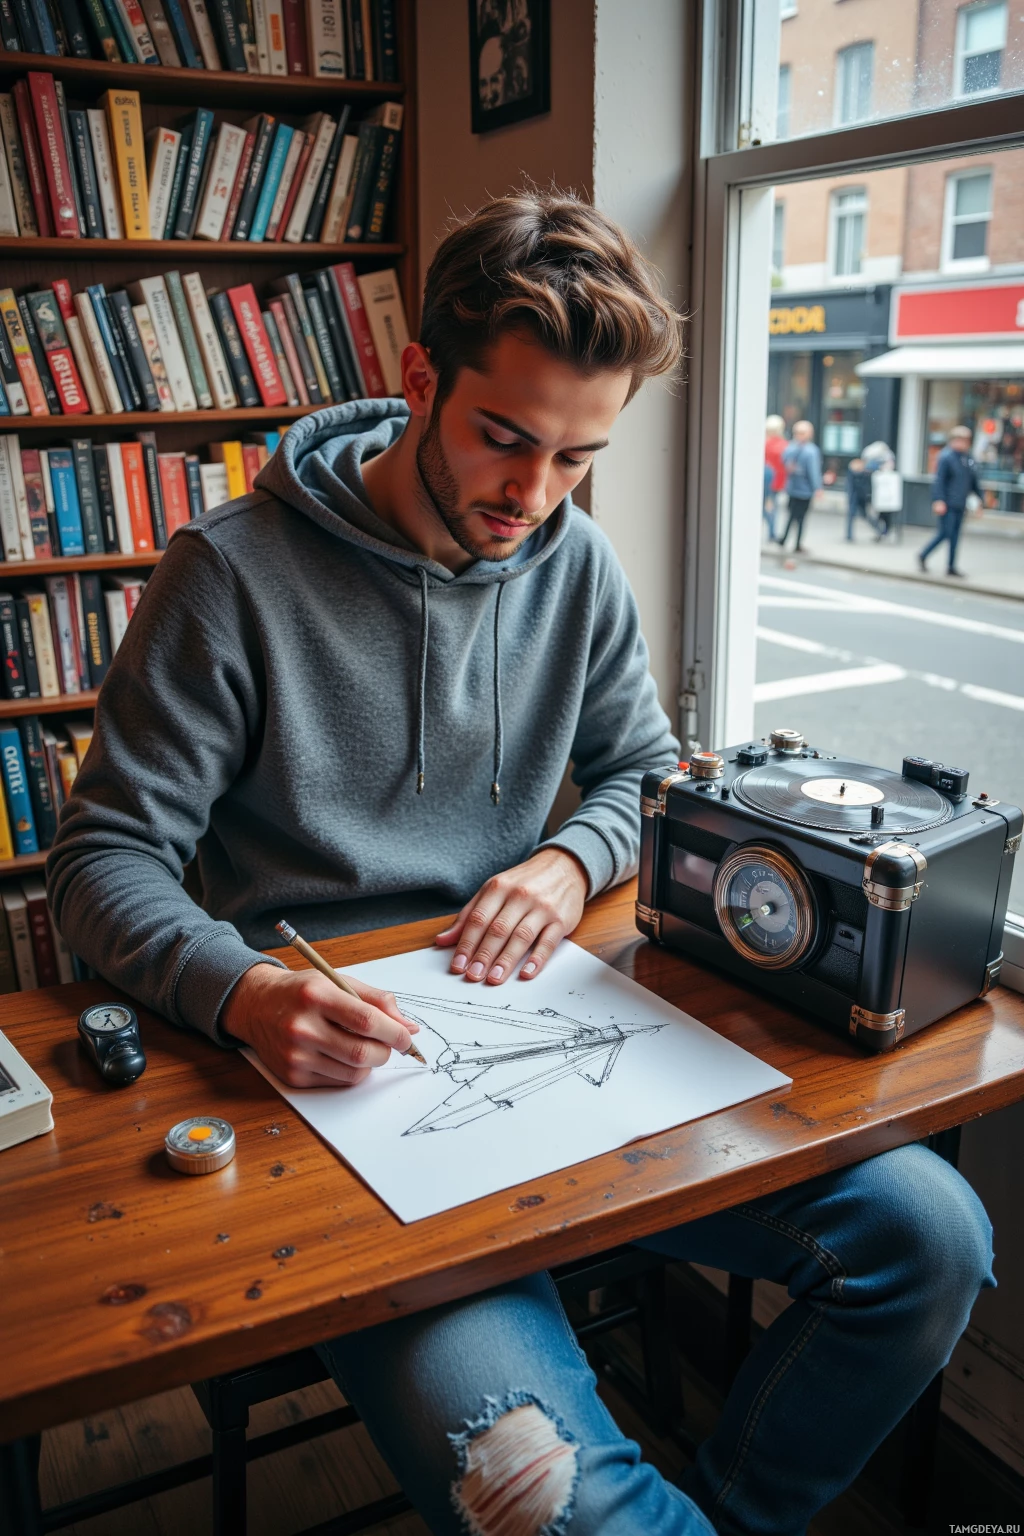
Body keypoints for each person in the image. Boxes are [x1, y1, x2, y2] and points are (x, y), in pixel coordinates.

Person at [47, 190, 992, 1536]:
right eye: (505, 440)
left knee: (932, 1239)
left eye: (577, 458)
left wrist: (568, 860)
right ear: (421, 377)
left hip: (560, 1043)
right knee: (539, 1497)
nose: (533, 497)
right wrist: (245, 993)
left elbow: (643, 775)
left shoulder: (575, 560)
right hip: (337, 1089)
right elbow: (102, 863)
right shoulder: (229, 574)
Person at [920, 424, 981, 578]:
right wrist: (938, 500)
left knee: (955, 536)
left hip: (960, 503)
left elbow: (974, 481)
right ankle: (923, 555)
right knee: (945, 533)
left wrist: (980, 500)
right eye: (960, 440)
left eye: (966, 440)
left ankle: (951, 566)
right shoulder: (946, 457)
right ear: (953, 440)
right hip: (947, 503)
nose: (964, 443)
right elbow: (939, 481)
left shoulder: (968, 458)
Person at [778, 419, 821, 552]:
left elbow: (784, 462)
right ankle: (796, 544)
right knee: (800, 518)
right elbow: (813, 472)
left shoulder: (791, 447)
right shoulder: (810, 451)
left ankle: (784, 539)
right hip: (803, 490)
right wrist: (817, 488)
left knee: (791, 515)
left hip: (793, 488)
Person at [763, 413, 786, 542]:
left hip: (769, 479)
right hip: (775, 480)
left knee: (766, 506)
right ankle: (772, 530)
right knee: (772, 506)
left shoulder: (765, 444)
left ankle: (772, 530)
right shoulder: (783, 445)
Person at [844, 456, 877, 541]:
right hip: (857, 497)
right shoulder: (860, 474)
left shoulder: (864, 474)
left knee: (862, 515)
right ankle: (849, 535)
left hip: (859, 497)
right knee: (854, 515)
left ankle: (879, 529)